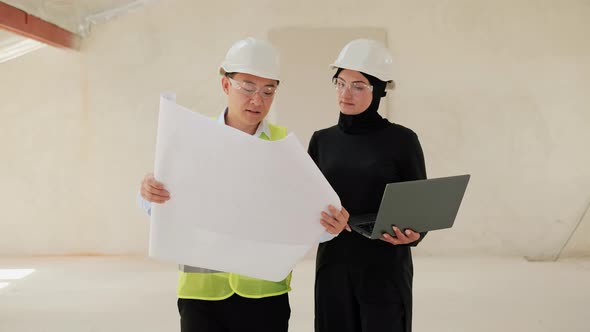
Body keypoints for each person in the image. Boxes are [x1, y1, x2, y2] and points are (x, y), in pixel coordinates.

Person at [138, 37, 349, 332]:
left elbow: (308, 216)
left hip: (264, 294)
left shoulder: (284, 146)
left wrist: (330, 227)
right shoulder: (193, 139)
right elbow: (159, 206)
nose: (257, 100)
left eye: (268, 91)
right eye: (248, 88)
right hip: (202, 294)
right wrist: (149, 193)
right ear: (226, 85)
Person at [308, 39, 428, 332]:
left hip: (385, 269)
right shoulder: (321, 141)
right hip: (333, 267)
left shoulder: (402, 141)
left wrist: (414, 235)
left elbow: (420, 210)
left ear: (379, 91)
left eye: (358, 85)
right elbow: (305, 203)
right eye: (340, 83)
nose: (345, 93)